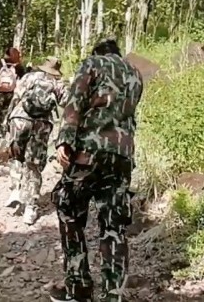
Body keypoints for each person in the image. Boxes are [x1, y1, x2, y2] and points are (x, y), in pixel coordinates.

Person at [49, 38, 144, 302]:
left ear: (97, 53)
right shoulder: (135, 73)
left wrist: (65, 141)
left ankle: (78, 288)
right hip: (122, 157)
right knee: (114, 226)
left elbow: (75, 102)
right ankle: (113, 294)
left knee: (69, 212)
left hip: (88, 154)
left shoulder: (92, 64)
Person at [5, 56, 65, 225]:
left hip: (19, 119)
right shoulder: (57, 84)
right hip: (41, 125)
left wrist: (8, 118)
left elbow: (16, 97)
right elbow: (66, 103)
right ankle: (31, 207)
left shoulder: (29, 77)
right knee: (34, 164)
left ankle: (15, 190)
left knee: (15, 156)